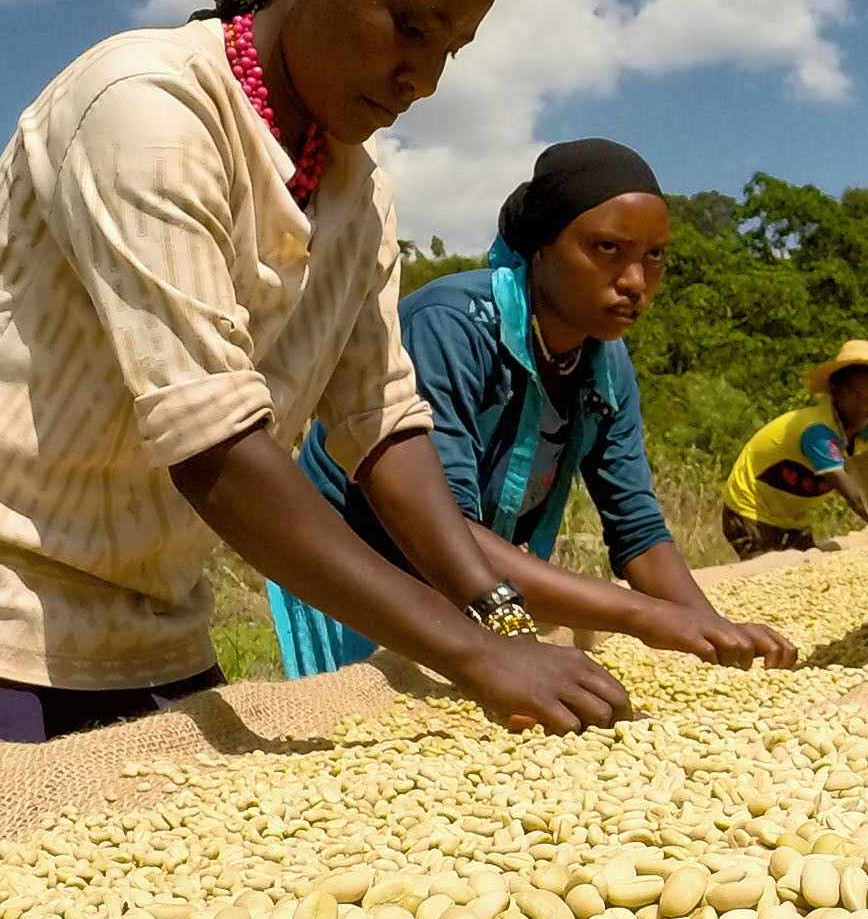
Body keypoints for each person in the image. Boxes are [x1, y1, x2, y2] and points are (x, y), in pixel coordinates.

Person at [0, 0, 632, 786]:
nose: (425, 78)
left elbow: (381, 425)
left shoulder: (356, 191)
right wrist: (473, 656)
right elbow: (214, 448)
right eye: (408, 26)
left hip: (147, 614)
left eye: (449, 52)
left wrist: (498, 617)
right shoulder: (145, 107)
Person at [266, 138, 795, 676]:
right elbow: (446, 530)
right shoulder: (453, 327)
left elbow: (638, 533)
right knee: (373, 702)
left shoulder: (606, 363)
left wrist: (714, 632)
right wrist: (644, 615)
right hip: (360, 563)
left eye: (654, 256)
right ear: (543, 245)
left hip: (471, 578)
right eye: (607, 248)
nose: (635, 281)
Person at [721, 346, 868, 558]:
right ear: (836, 391)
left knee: (807, 568)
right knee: (770, 571)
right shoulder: (818, 432)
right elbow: (857, 498)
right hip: (750, 510)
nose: (864, 406)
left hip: (792, 519)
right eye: (856, 395)